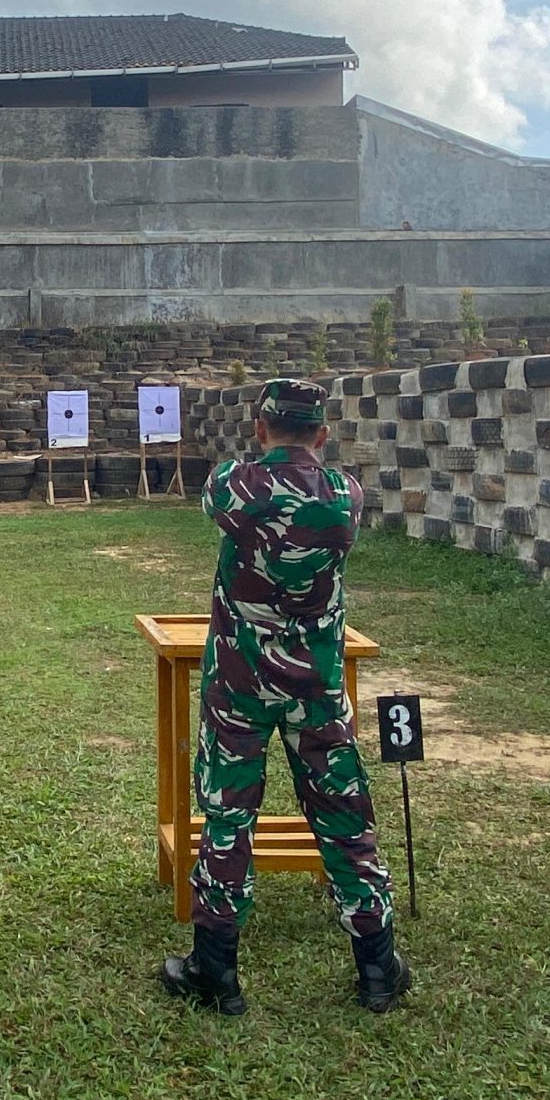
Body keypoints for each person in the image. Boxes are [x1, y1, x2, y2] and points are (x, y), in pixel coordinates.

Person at [160, 377, 408, 1016]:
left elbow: (222, 498)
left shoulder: (233, 485)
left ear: (260, 428)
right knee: (345, 821)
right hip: (317, 686)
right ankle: (377, 965)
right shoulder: (344, 496)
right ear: (322, 435)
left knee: (228, 820)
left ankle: (216, 967)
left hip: (239, 685)